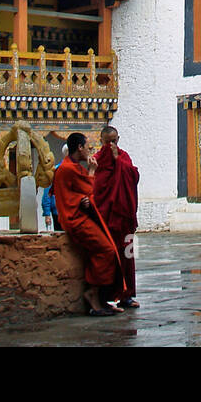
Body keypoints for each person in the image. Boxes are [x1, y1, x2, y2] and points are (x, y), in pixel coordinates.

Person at [53, 132, 127, 316]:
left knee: (109, 249)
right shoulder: (68, 168)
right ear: (79, 147)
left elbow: (80, 193)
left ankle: (102, 297)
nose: (90, 150)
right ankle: (93, 295)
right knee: (106, 250)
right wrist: (92, 172)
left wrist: (83, 198)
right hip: (74, 220)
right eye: (87, 146)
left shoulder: (74, 167)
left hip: (82, 215)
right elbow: (87, 189)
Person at [92, 125, 140, 309]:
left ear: (118, 139)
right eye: (107, 141)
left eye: (114, 141)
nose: (111, 144)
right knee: (109, 258)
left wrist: (117, 161)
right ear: (101, 140)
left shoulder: (124, 157)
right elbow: (97, 187)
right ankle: (106, 296)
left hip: (124, 218)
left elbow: (134, 176)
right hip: (107, 218)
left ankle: (127, 296)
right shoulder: (97, 160)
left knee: (127, 256)